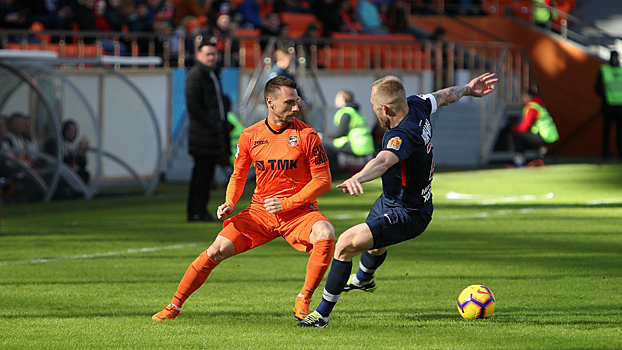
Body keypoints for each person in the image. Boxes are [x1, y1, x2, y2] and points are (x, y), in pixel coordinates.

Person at [296, 72, 498, 328]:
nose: (372, 109)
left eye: (372, 105)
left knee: (345, 244)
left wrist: (358, 176)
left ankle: (321, 315)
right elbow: (444, 95)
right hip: (392, 199)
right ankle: (365, 278)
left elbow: (383, 160)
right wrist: (468, 89)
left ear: (384, 107)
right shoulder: (417, 104)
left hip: (408, 213)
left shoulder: (401, 135)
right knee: (374, 243)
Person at [152, 76, 335, 322]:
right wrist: (230, 202)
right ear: (270, 102)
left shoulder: (308, 135)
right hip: (260, 213)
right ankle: (174, 306)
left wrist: (288, 203)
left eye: (297, 102)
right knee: (216, 250)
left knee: (325, 231)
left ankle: (304, 298)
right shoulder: (250, 135)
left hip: (298, 212)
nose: (296, 108)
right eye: (289, 102)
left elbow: (323, 181)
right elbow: (238, 175)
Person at [186, 43, 232, 222]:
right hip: (202, 135)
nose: (211, 57)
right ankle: (196, 211)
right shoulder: (196, 75)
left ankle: (201, 210)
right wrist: (212, 123)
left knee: (207, 176)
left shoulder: (213, 74)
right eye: (208, 54)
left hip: (212, 135)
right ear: (198, 55)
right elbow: (194, 106)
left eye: (214, 54)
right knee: (201, 175)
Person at [322, 89, 375, 179]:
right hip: (365, 145)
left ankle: (335, 173)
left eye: (338, 98)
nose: (336, 100)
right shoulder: (355, 111)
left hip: (356, 145)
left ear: (343, 100)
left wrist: (323, 136)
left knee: (326, 145)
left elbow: (340, 132)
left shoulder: (346, 112)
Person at [512, 87, 559, 167]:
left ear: (530, 96)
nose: (521, 98)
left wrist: (514, 128)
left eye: (523, 95)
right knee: (525, 135)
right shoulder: (538, 105)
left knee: (517, 135)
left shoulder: (532, 107)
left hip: (544, 136)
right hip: (549, 135)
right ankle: (541, 151)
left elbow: (525, 127)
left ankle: (519, 159)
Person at [595, 50, 622, 160]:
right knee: (607, 131)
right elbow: (597, 87)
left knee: (620, 132)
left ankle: (620, 153)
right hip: (609, 106)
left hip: (620, 106)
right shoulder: (604, 70)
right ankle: (605, 152)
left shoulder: (620, 70)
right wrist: (605, 97)